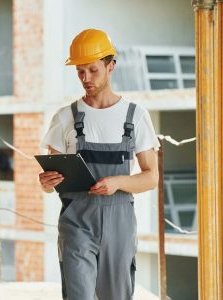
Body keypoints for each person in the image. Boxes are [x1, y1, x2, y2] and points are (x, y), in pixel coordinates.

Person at [39, 29, 160, 300]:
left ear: (110, 66)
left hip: (120, 222)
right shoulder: (64, 118)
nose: (86, 79)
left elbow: (151, 177)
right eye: (80, 71)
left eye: (92, 70)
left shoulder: (136, 117)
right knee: (79, 294)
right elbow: (51, 179)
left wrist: (118, 183)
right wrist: (46, 183)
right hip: (77, 222)